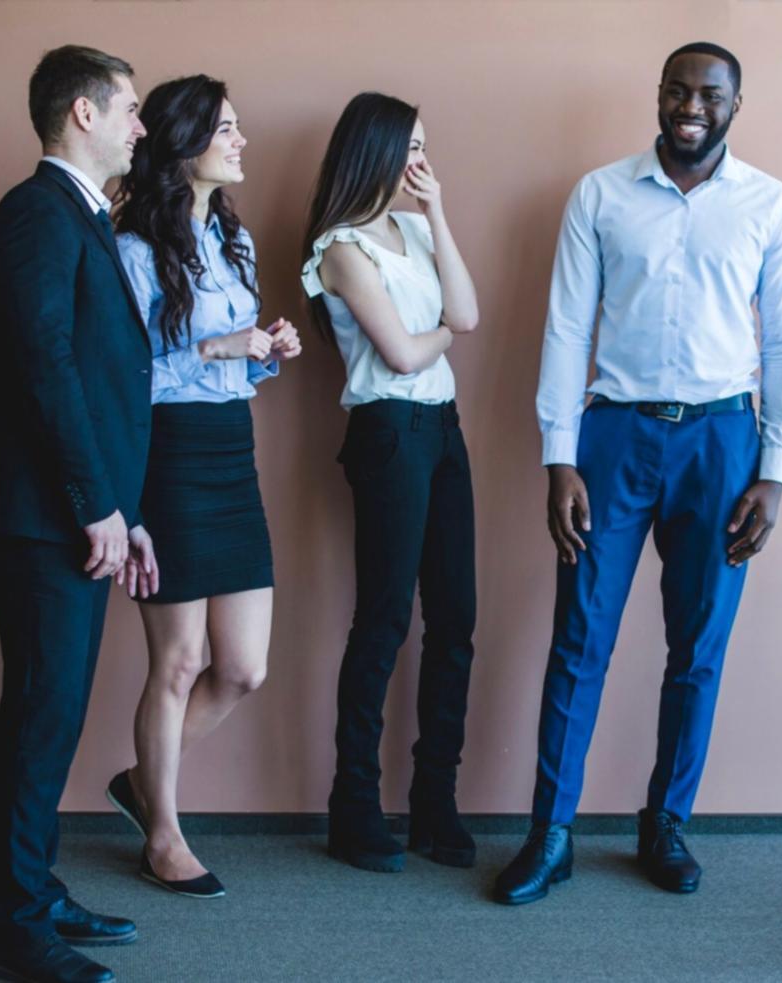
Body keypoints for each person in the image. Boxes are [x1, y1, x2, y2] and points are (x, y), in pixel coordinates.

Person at [493, 41, 782, 905]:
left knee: (697, 650)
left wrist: (775, 470)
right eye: (678, 89)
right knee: (578, 641)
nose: (692, 105)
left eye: (711, 93)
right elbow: (565, 329)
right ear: (660, 95)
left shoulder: (772, 207)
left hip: (722, 443)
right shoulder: (600, 195)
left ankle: (665, 823)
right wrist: (559, 454)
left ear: (735, 106)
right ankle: (550, 833)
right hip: (613, 439)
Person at [0, 44, 152, 983]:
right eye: (131, 111)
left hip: (68, 514)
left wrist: (127, 512)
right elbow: (46, 369)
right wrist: (95, 504)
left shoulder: (79, 217)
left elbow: (102, 385)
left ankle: (29, 889)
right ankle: (15, 925)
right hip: (41, 518)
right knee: (41, 714)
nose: (141, 127)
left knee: (53, 713)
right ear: (83, 112)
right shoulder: (37, 212)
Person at [104, 75, 300, 900]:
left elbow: (231, 356)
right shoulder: (133, 248)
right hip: (171, 456)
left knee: (246, 666)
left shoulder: (234, 239)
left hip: (231, 451)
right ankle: (163, 833)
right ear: (184, 144)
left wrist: (267, 347)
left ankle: (143, 779)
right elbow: (130, 372)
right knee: (179, 662)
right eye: (227, 127)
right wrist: (225, 347)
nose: (241, 140)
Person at [300, 92, 481, 874]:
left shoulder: (410, 228)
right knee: (383, 621)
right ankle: (356, 807)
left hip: (442, 430)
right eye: (409, 146)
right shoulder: (339, 246)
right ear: (372, 148)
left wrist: (437, 212)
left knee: (456, 619)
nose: (420, 160)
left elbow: (468, 313)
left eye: (426, 145)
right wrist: (439, 336)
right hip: (387, 433)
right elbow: (405, 356)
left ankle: (434, 803)